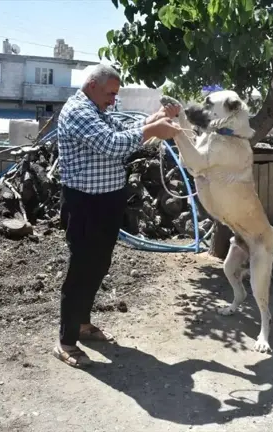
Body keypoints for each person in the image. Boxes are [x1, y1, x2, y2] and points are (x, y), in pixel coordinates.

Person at [54, 64, 181, 368]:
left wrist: (154, 120)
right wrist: (152, 130)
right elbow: (111, 145)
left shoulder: (96, 109)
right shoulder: (78, 111)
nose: (113, 99)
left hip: (107, 201)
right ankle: (66, 341)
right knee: (81, 270)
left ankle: (82, 325)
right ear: (92, 85)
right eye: (111, 93)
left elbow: (120, 132)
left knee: (98, 265)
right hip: (85, 203)